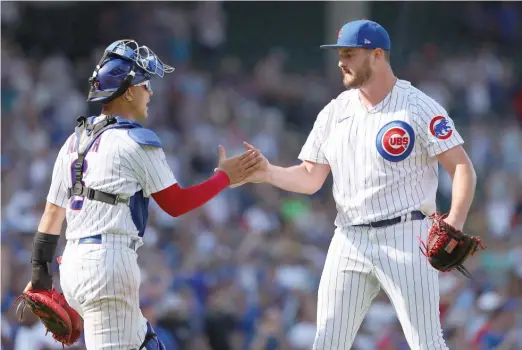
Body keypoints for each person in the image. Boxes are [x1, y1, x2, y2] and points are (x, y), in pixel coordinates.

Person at [239, 20, 477, 349]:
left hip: (406, 235)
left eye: (350, 53)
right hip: (349, 238)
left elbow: (462, 166)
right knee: (327, 342)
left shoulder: (418, 106)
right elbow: (310, 178)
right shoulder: (334, 112)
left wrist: (455, 220)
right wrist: (268, 173)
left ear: (377, 55)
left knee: (426, 343)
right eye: (340, 54)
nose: (341, 61)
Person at [22, 39, 262, 349]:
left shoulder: (73, 142)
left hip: (74, 266)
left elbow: (53, 214)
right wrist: (223, 178)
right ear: (130, 89)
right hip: (108, 266)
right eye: (146, 84)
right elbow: (175, 204)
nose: (150, 92)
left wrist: (40, 275)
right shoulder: (135, 141)